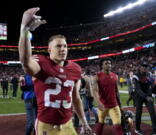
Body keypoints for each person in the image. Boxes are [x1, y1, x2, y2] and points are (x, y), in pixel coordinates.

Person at [18, 7, 94, 135]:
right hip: (47, 127)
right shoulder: (41, 63)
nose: (63, 49)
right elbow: (25, 61)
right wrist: (24, 29)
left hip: (68, 124)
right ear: (49, 50)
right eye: (58, 46)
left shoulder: (75, 69)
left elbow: (76, 98)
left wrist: (84, 122)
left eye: (65, 46)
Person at [92, 58, 124, 135]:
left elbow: (116, 92)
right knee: (100, 122)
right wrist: (98, 102)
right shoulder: (97, 76)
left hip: (114, 105)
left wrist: (120, 105)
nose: (109, 65)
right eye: (106, 63)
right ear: (102, 66)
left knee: (118, 124)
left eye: (109, 63)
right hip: (103, 105)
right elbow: (95, 91)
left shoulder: (115, 76)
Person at [133, 63, 156, 135]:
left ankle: (155, 130)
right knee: (138, 113)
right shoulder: (136, 76)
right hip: (139, 96)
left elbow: (154, 85)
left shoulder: (149, 75)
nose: (145, 68)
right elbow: (138, 89)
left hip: (148, 96)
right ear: (140, 67)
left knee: (152, 112)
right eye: (143, 66)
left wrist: (154, 94)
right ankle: (137, 129)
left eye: (146, 67)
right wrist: (146, 97)